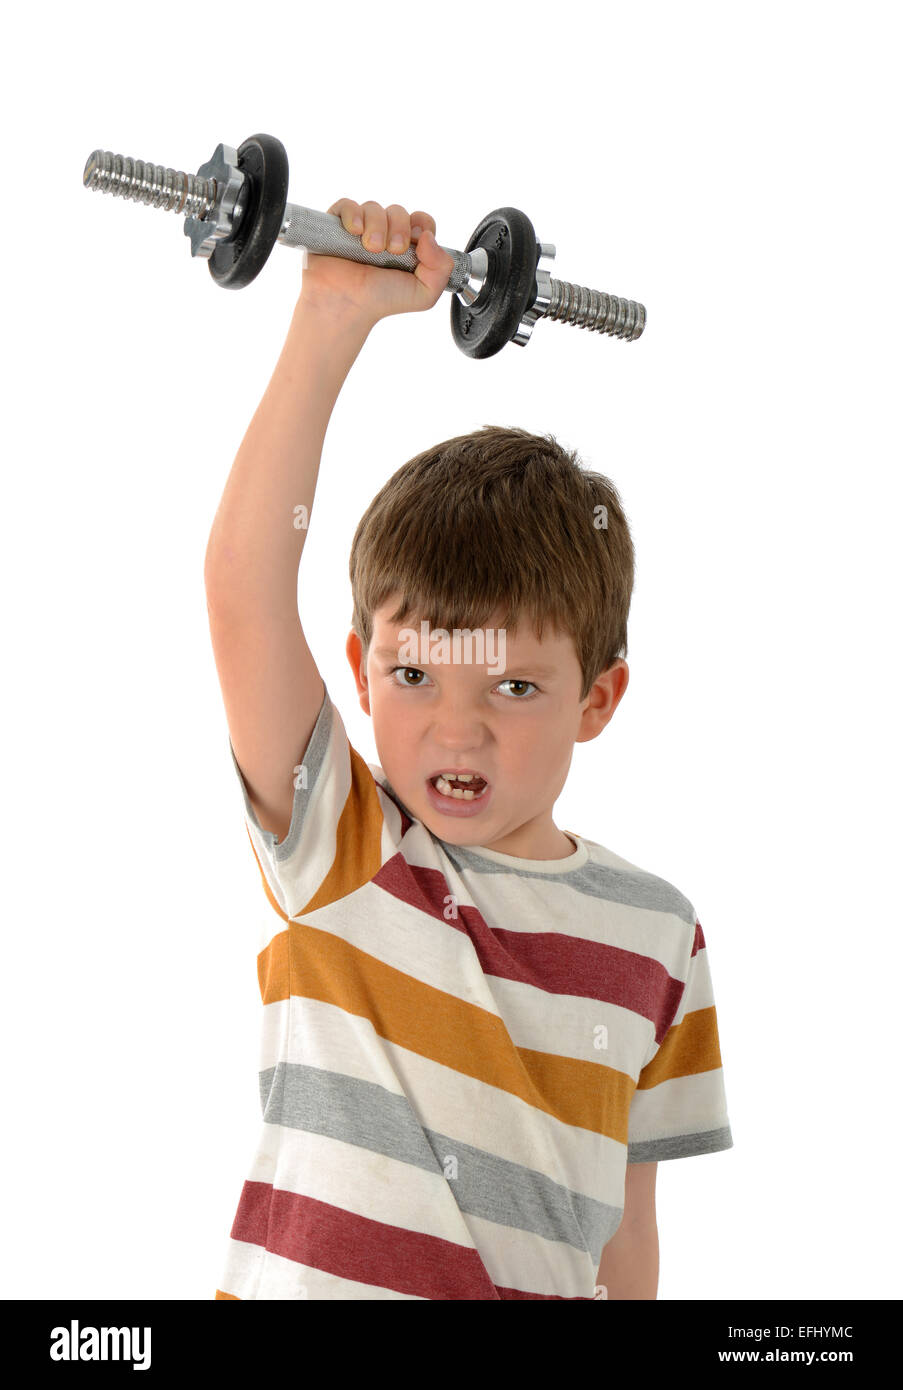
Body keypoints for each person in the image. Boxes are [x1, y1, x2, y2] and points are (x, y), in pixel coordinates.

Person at [203, 198, 733, 1301]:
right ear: (359, 669)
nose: (457, 726)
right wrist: (330, 321)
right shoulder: (346, 851)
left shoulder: (660, 935)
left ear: (599, 698)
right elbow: (246, 589)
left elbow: (627, 1232)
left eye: (514, 684)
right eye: (414, 675)